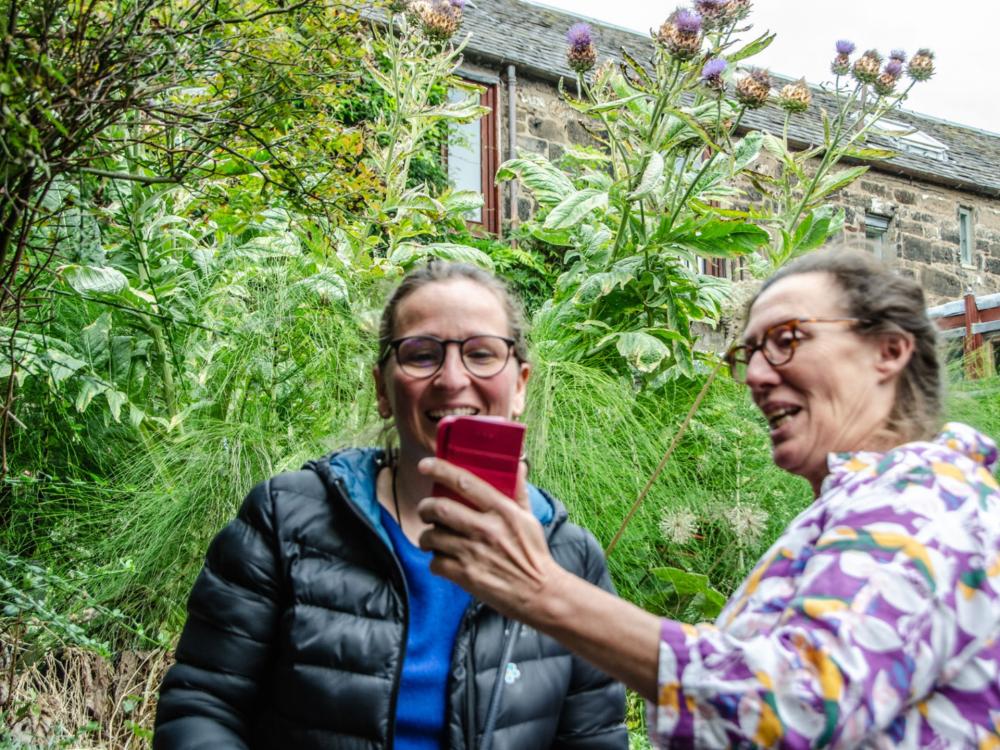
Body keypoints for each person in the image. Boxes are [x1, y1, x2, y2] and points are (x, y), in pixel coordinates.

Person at [417, 249, 1000, 748]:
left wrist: (541, 591)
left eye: (786, 340)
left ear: (890, 351)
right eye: (749, 354)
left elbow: (794, 705)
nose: (755, 376)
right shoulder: (882, 501)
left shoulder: (920, 503)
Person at [153, 261, 627, 750]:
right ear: (383, 388)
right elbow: (202, 705)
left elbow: (595, 739)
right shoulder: (284, 521)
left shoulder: (571, 560)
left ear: (520, 385)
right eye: (421, 355)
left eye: (482, 354)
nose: (452, 378)